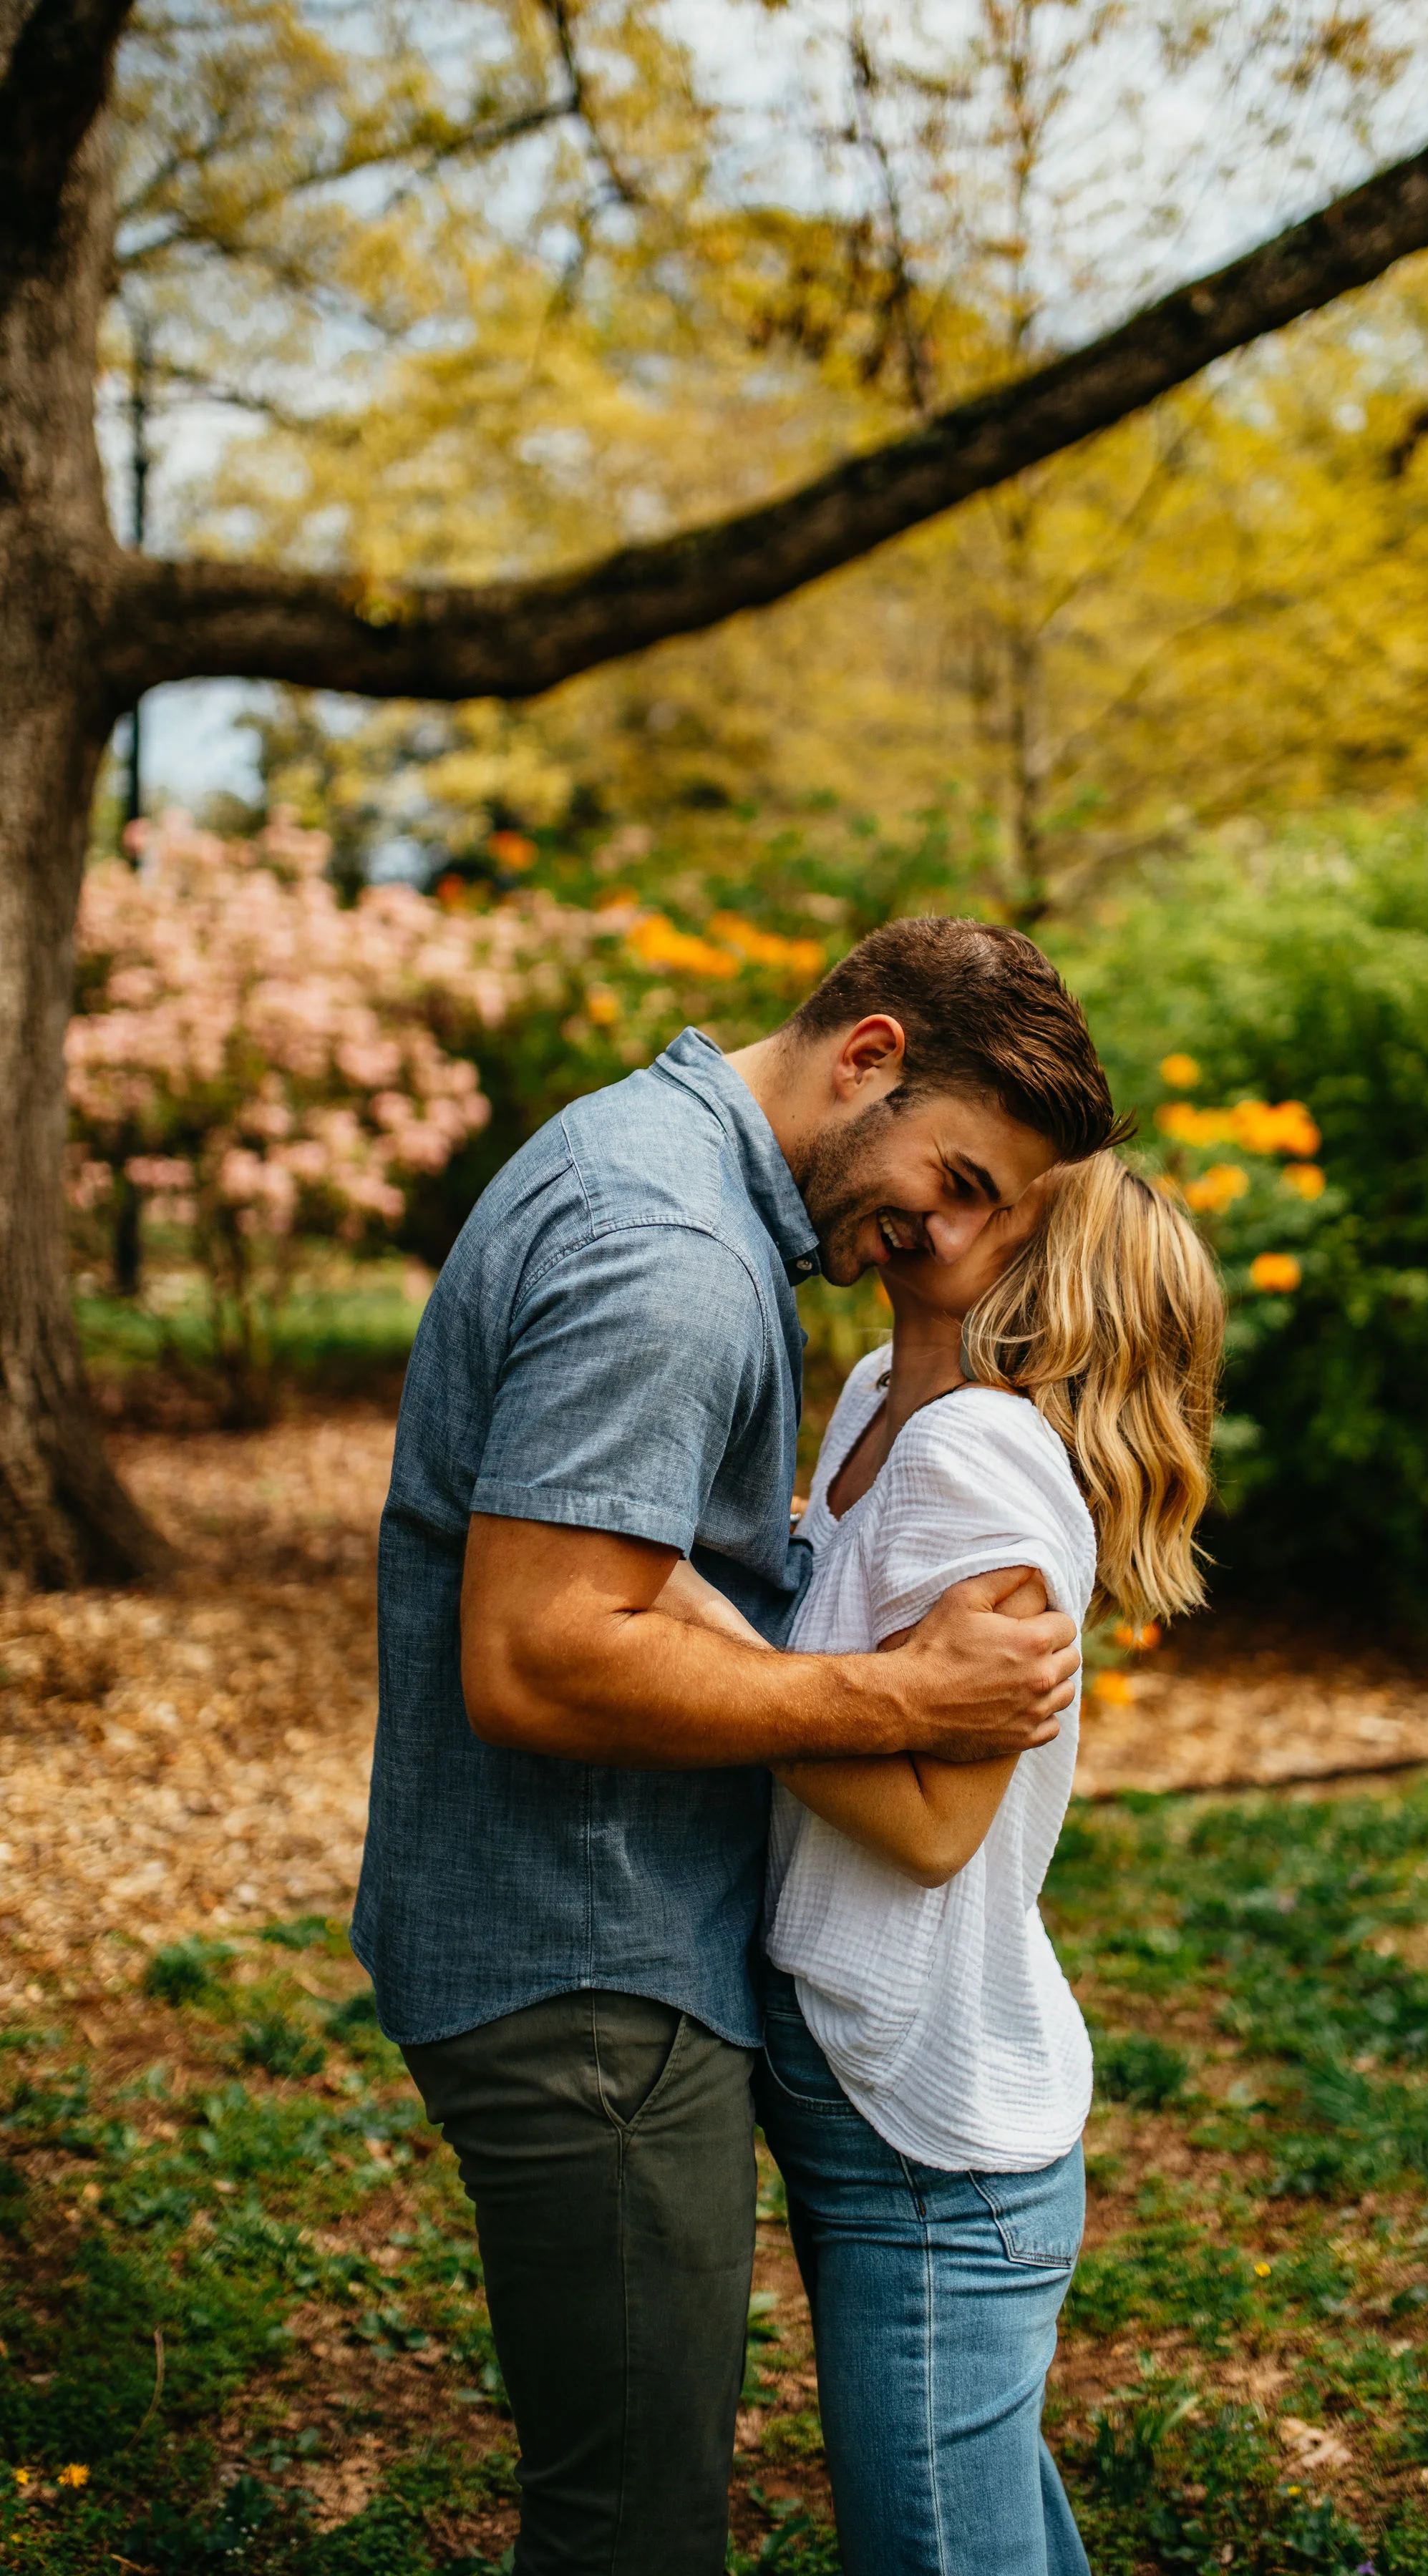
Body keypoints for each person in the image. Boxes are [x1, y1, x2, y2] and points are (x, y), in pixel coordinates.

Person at [350, 916, 1121, 2576]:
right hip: (586, 1958)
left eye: (993, 1212)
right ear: (869, 1057)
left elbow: (640, 1571)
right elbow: (544, 1656)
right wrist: (910, 1698)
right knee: (630, 2530)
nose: (949, 1231)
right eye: (964, 1175)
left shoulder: (654, 1172)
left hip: (589, 1938)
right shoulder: (675, 1248)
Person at [670, 1150, 1223, 2574]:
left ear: (1046, 1271)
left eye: (994, 1196)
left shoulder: (973, 1452)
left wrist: (696, 1659)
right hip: (891, 2103)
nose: (936, 1196)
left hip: (929, 2151)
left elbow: (932, 1825)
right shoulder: (872, 1403)